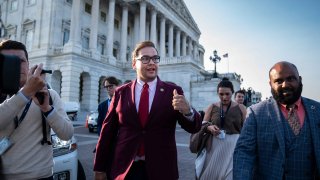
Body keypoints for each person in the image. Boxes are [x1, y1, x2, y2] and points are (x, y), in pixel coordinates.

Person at [94, 41, 201, 180]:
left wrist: (188, 112)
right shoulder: (121, 92)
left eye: (155, 58)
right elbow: (107, 133)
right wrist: (99, 168)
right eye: (145, 58)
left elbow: (194, 127)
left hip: (161, 169)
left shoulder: (172, 91)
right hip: (126, 169)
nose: (152, 62)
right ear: (134, 63)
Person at [0, 40, 74, 179]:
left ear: (28, 64)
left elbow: (67, 134)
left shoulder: (49, 94)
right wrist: (25, 93)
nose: (16, 65)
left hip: (43, 176)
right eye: (8, 61)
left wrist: (46, 108)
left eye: (20, 61)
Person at [233, 61, 320, 179]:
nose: (285, 85)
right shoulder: (256, 113)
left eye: (291, 79)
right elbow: (244, 153)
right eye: (279, 81)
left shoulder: (317, 110)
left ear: (299, 80)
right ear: (270, 84)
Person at [199, 77, 246, 180]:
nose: (224, 97)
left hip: (234, 146)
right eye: (221, 94)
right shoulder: (212, 107)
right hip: (215, 145)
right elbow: (203, 125)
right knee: (211, 175)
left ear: (232, 93)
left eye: (227, 94)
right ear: (218, 93)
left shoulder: (241, 108)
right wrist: (209, 127)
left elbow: (246, 129)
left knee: (230, 176)